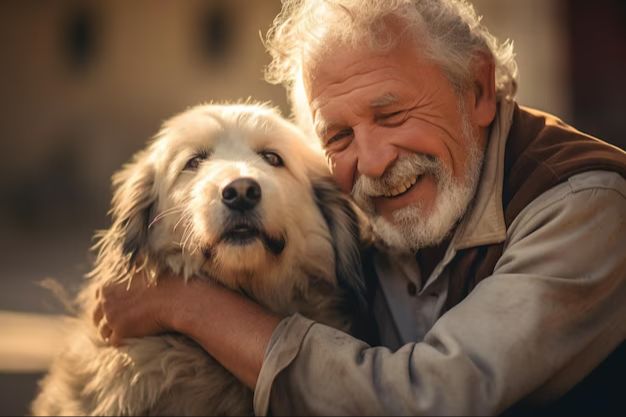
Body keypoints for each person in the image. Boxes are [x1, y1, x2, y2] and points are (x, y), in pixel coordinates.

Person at [94, 0, 626, 415]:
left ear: (479, 90)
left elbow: (429, 401)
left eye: (392, 116)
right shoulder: (355, 207)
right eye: (340, 134)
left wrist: (187, 307)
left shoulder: (584, 206)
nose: (371, 162)